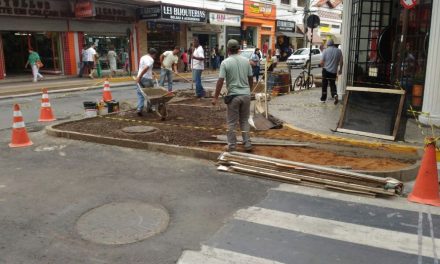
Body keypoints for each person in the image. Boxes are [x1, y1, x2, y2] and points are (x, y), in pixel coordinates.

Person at [211, 39, 254, 152]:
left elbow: (220, 81)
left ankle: (232, 146)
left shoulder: (225, 62)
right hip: (246, 95)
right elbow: (250, 78)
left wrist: (215, 97)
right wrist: (249, 90)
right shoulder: (246, 61)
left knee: (232, 122)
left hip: (234, 96)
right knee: (244, 120)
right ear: (239, 49)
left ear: (228, 50)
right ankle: (247, 143)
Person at [320, 39, 343, 104]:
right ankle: (335, 94)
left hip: (326, 71)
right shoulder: (339, 51)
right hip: (334, 71)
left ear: (327, 44)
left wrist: (323, 67)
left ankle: (323, 99)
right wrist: (340, 69)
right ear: (333, 44)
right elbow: (341, 61)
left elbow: (321, 62)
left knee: (324, 85)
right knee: (332, 84)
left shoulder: (325, 51)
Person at [135, 48, 158, 116]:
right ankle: (150, 108)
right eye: (155, 55)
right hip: (146, 79)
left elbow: (143, 67)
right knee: (150, 94)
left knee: (140, 94)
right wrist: (140, 77)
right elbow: (146, 68)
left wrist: (152, 72)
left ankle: (139, 109)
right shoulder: (151, 60)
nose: (155, 57)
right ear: (153, 54)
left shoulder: (143, 57)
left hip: (140, 77)